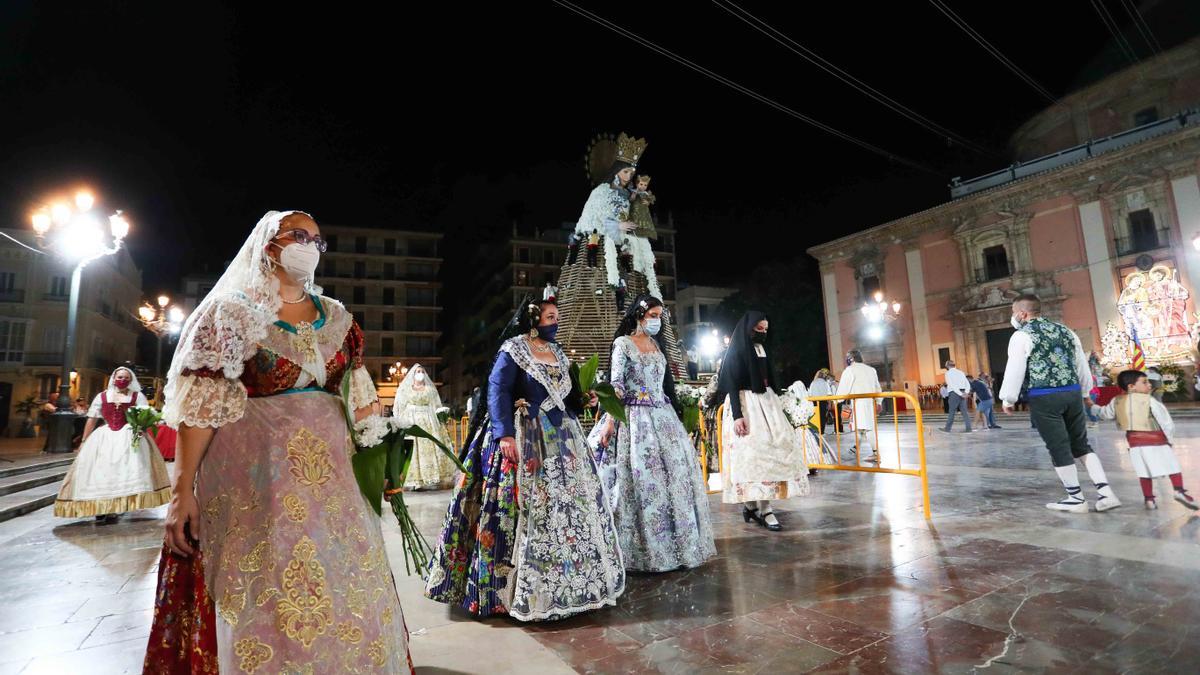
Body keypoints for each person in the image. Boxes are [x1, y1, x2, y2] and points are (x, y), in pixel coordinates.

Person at [144, 211, 413, 672]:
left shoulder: (340, 320)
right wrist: (182, 490)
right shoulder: (230, 314)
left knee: (341, 583)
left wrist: (384, 460)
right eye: (298, 236)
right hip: (254, 487)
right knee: (264, 588)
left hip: (334, 493)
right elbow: (202, 410)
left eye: (316, 240)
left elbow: (360, 401)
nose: (308, 245)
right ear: (269, 243)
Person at [425, 299, 624, 621]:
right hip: (524, 435)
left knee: (568, 511)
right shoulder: (514, 349)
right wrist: (504, 434)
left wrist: (582, 399)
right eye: (550, 317)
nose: (555, 323)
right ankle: (515, 590)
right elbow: (497, 390)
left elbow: (565, 395)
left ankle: (569, 581)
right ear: (533, 320)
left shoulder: (558, 353)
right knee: (522, 510)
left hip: (562, 439)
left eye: (557, 318)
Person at [595, 295, 716, 571]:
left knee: (675, 477)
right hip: (636, 419)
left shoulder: (656, 345)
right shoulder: (623, 344)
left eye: (660, 315)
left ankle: (676, 545)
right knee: (643, 478)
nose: (657, 320)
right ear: (639, 315)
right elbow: (617, 385)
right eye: (653, 315)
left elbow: (665, 385)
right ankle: (644, 549)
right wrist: (611, 422)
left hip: (663, 417)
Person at [1000, 294, 1120, 514]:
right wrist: (1085, 392)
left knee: (1058, 446)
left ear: (1022, 313)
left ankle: (1075, 498)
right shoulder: (1066, 331)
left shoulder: (1021, 335)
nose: (1013, 316)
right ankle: (1106, 493)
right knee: (1081, 444)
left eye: (1013, 311)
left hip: (1045, 396)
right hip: (1072, 392)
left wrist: (1009, 398)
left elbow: (1015, 367)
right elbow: (1081, 364)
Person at [718, 311, 809, 531]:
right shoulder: (736, 350)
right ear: (749, 328)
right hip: (746, 404)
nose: (763, 333)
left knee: (772, 452)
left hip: (766, 402)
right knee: (752, 456)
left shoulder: (761, 348)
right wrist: (738, 415)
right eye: (759, 329)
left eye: (766, 330)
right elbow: (731, 384)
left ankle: (755, 506)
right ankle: (761, 508)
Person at [53, 367, 171, 524]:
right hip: (105, 438)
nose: (122, 380)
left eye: (126, 377)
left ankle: (116, 506)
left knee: (122, 473)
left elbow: (143, 418)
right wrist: (83, 441)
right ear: (114, 377)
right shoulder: (102, 396)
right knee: (101, 472)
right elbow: (92, 419)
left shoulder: (137, 396)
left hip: (129, 436)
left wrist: (138, 434)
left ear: (131, 380)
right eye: (120, 376)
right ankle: (101, 507)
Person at [1091, 369, 1197, 510]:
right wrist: (1170, 439)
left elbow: (1105, 414)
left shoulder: (1116, 401)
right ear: (1131, 386)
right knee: (1173, 466)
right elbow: (1165, 421)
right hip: (1157, 440)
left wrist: (1092, 407)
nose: (1149, 385)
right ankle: (1179, 491)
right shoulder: (1150, 401)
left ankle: (1149, 499)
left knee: (1144, 472)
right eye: (1145, 382)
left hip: (1135, 443)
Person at [392, 363, 457, 490]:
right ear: (413, 374)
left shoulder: (430, 390)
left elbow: (436, 406)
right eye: (418, 371)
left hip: (428, 421)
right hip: (411, 421)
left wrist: (441, 417)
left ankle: (430, 476)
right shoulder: (405, 389)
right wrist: (400, 422)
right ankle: (414, 480)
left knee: (429, 447)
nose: (420, 373)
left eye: (422, 371)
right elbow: (399, 406)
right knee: (413, 448)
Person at [835, 350, 883, 461]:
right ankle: (856, 449)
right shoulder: (871, 370)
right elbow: (877, 388)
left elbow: (843, 388)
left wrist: (835, 401)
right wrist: (879, 402)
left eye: (847, 357)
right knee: (861, 428)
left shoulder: (850, 370)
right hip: (870, 402)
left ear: (851, 358)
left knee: (867, 429)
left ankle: (875, 453)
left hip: (859, 404)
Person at [941, 360, 972, 433]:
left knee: (952, 411)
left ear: (948, 366)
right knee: (965, 412)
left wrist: (961, 394)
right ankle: (968, 428)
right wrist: (965, 393)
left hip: (954, 393)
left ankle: (947, 429)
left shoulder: (948, 373)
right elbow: (967, 383)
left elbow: (951, 385)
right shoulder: (961, 372)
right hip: (963, 392)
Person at [809, 368, 837, 434]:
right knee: (822, 418)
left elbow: (810, 394)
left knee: (816, 417)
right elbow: (829, 394)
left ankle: (816, 431)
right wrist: (830, 404)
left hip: (814, 402)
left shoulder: (813, 383)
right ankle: (822, 431)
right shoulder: (825, 383)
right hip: (823, 402)